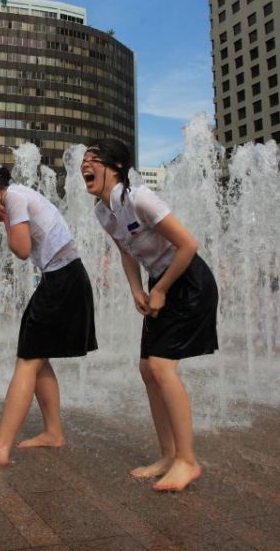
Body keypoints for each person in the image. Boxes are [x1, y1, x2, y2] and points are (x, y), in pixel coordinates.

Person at [81, 139, 218, 492]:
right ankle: (168, 455)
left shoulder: (140, 198)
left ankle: (188, 461)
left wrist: (159, 290)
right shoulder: (102, 212)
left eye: (93, 159)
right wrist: (137, 290)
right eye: (83, 160)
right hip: (161, 282)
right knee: (147, 370)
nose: (85, 165)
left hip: (188, 281)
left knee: (161, 367)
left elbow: (188, 245)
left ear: (116, 167)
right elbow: (127, 253)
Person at [0, 167, 97, 465]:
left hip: (63, 278)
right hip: (63, 276)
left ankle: (1, 447)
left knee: (27, 360)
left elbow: (21, 250)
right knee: (37, 356)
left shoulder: (12, 199)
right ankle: (53, 432)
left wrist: (7, 218)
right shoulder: (19, 195)